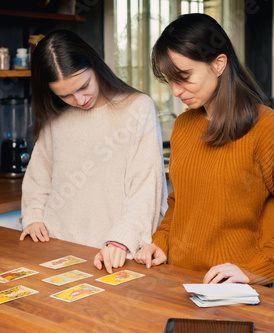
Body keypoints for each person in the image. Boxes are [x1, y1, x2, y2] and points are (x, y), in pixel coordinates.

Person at [134, 14, 274, 288]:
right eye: (169, 81)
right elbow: (179, 201)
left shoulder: (266, 127)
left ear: (219, 64)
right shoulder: (183, 126)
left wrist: (256, 269)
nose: (175, 91)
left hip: (239, 288)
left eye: (184, 77)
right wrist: (161, 242)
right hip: (181, 280)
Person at [19, 30, 168, 274]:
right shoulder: (55, 116)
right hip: (58, 249)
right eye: (65, 95)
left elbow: (145, 190)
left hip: (117, 254)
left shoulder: (138, 108)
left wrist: (120, 240)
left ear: (95, 65)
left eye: (83, 86)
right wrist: (33, 217)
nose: (79, 99)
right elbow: (39, 176)